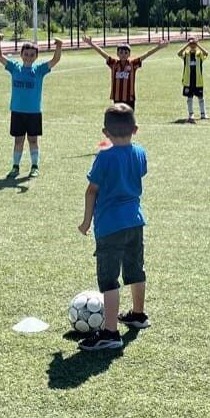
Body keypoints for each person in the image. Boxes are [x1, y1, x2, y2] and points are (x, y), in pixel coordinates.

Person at [76, 104, 149, 351]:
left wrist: (86, 222)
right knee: (135, 269)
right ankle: (138, 314)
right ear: (135, 129)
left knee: (109, 279)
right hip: (135, 221)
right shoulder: (140, 152)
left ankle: (110, 333)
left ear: (105, 132)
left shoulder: (104, 157)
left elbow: (91, 190)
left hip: (110, 226)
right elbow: (139, 173)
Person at [0, 35, 62, 180]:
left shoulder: (39, 70)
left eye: (32, 55)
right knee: (18, 141)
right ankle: (15, 166)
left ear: (36, 56)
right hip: (17, 111)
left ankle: (34, 166)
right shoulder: (14, 67)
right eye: (26, 54)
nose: (29, 57)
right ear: (21, 55)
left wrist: (59, 46)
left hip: (34, 112)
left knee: (33, 140)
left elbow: (55, 60)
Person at [85, 37, 168, 109]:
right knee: (118, 119)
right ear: (117, 54)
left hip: (129, 98)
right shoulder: (114, 63)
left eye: (126, 53)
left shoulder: (133, 64)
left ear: (129, 54)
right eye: (121, 52)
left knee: (128, 119)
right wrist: (91, 43)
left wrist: (158, 47)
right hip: (117, 98)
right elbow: (102, 53)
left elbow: (146, 55)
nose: (123, 55)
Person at [177, 37, 209, 122]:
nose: (193, 45)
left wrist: (198, 45)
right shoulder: (186, 54)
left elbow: (206, 53)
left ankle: (203, 114)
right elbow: (179, 53)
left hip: (198, 80)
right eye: (191, 44)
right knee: (189, 97)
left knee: (200, 97)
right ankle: (191, 114)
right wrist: (187, 45)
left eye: (194, 43)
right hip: (188, 80)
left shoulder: (199, 53)